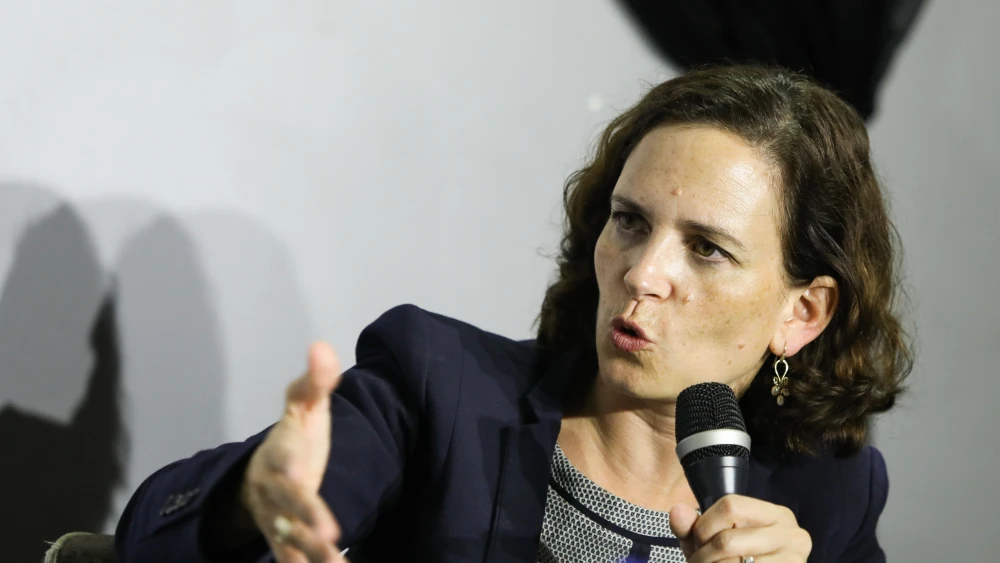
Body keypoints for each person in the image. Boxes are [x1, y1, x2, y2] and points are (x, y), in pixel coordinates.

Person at [114, 64, 911, 563]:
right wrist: (248, 495)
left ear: (802, 312)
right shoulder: (439, 390)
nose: (643, 272)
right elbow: (149, 537)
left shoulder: (829, 493)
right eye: (630, 221)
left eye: (706, 247)